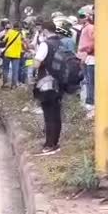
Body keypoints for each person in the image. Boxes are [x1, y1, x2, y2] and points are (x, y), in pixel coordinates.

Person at [33, 21, 62, 155]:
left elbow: (36, 64)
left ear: (45, 31)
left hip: (46, 83)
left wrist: (33, 59)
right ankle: (55, 142)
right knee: (56, 113)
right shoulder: (61, 43)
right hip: (61, 83)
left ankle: (49, 145)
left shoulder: (45, 44)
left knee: (48, 115)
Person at [77, 5, 95, 111]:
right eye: (79, 16)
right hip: (85, 58)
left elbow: (95, 41)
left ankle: (90, 101)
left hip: (90, 58)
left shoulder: (91, 28)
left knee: (90, 81)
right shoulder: (84, 28)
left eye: (82, 16)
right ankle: (88, 100)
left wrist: (87, 50)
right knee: (86, 81)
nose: (80, 18)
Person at [0, 21, 24, 88]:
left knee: (5, 69)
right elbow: (23, 43)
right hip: (16, 54)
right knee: (15, 70)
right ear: (19, 27)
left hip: (8, 53)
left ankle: (5, 84)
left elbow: (4, 40)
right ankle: (13, 85)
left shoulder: (9, 31)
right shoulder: (21, 34)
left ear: (13, 27)